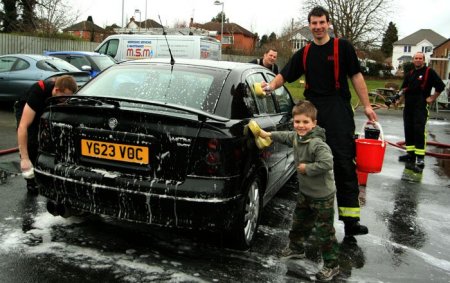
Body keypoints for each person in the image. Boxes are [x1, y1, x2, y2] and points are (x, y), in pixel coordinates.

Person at [261, 6, 377, 237]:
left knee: (344, 163)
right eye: (314, 23)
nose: (318, 27)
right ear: (309, 25)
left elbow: (356, 76)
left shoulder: (342, 47)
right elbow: (285, 74)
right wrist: (270, 86)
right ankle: (314, 218)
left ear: (328, 24)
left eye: (321, 22)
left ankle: (351, 220)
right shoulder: (304, 53)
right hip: (313, 114)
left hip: (338, 111)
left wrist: (366, 105)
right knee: (311, 166)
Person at [254, 100, 339, 281]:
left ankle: (332, 265)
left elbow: (327, 163)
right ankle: (296, 248)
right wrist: (267, 134)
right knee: (299, 223)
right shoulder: (297, 137)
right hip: (306, 193)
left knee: (324, 232)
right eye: (297, 122)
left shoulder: (317, 144)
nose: (300, 126)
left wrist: (307, 169)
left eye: (305, 122)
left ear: (314, 123)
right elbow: (285, 136)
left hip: (322, 196)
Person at [17, 75, 78, 194]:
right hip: (26, 108)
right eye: (62, 99)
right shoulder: (38, 92)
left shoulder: (64, 93)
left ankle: (48, 176)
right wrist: (24, 158)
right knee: (31, 141)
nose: (65, 102)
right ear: (56, 91)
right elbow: (23, 127)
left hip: (44, 108)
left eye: (67, 99)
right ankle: (31, 180)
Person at [397, 52, 445, 172]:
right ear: (413, 60)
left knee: (419, 131)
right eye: (416, 58)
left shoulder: (429, 72)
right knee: (408, 130)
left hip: (420, 107)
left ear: (423, 60)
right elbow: (404, 89)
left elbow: (440, 86)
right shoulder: (411, 74)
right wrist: (399, 101)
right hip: (408, 107)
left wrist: (432, 98)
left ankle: (420, 158)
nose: (418, 60)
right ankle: (410, 155)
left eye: (420, 58)